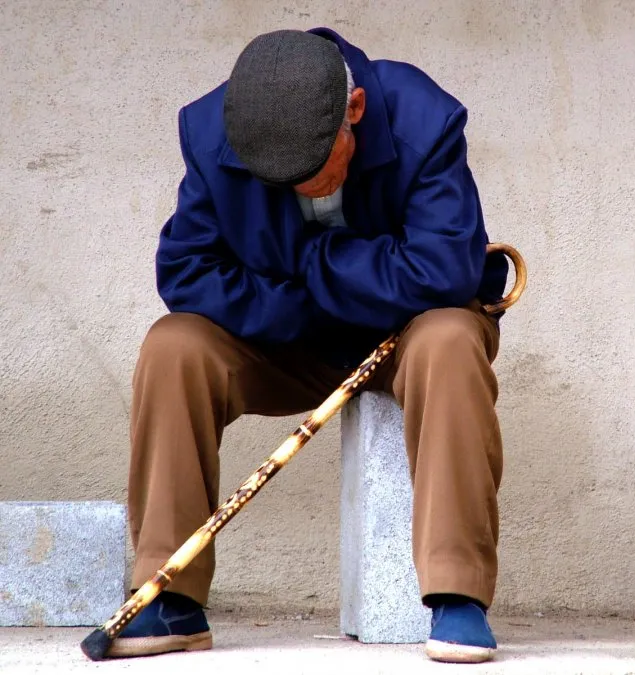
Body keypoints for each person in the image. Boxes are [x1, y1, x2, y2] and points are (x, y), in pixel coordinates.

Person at [111, 27, 511, 664]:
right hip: (287, 335)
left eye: (314, 170)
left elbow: (444, 270)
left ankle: (457, 595)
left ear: (355, 111)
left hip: (407, 335)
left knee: (453, 338)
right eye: (282, 180)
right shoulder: (214, 133)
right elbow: (186, 272)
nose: (303, 188)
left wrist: (312, 264)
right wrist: (308, 300)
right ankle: (169, 594)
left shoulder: (424, 117)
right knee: (173, 346)